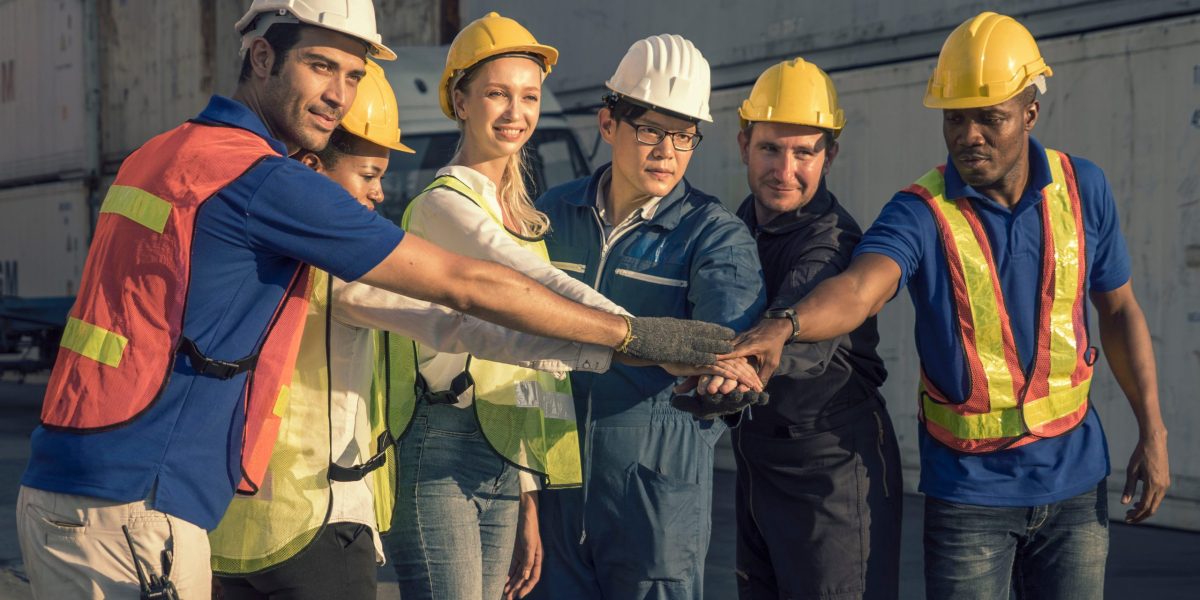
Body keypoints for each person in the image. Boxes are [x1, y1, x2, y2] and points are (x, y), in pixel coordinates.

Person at [13, 2, 736, 597]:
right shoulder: (270, 183)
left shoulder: (161, 152)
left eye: (352, 74)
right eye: (319, 65)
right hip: (139, 506)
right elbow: (468, 286)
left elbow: (447, 318)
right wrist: (632, 336)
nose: (337, 92)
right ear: (262, 57)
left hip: (68, 485)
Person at [730, 12, 1170, 599]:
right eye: (955, 118)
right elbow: (860, 289)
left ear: (1030, 112)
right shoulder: (920, 211)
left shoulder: (1082, 187)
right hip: (969, 497)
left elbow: (1119, 312)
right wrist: (786, 324)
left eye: (990, 118)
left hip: (1076, 486)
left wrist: (1154, 431)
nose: (970, 134)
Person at [530, 35, 767, 600]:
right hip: (549, 486)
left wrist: (724, 379)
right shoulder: (547, 216)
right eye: (652, 130)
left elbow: (727, 339)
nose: (667, 151)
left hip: (654, 496)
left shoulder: (712, 234)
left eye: (684, 135)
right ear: (607, 123)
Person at [725, 57, 903, 599]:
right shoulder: (742, 225)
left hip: (830, 467)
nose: (785, 169)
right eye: (770, 149)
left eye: (805, 152)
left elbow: (782, 339)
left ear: (830, 156)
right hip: (757, 457)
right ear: (742, 146)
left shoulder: (832, 243)